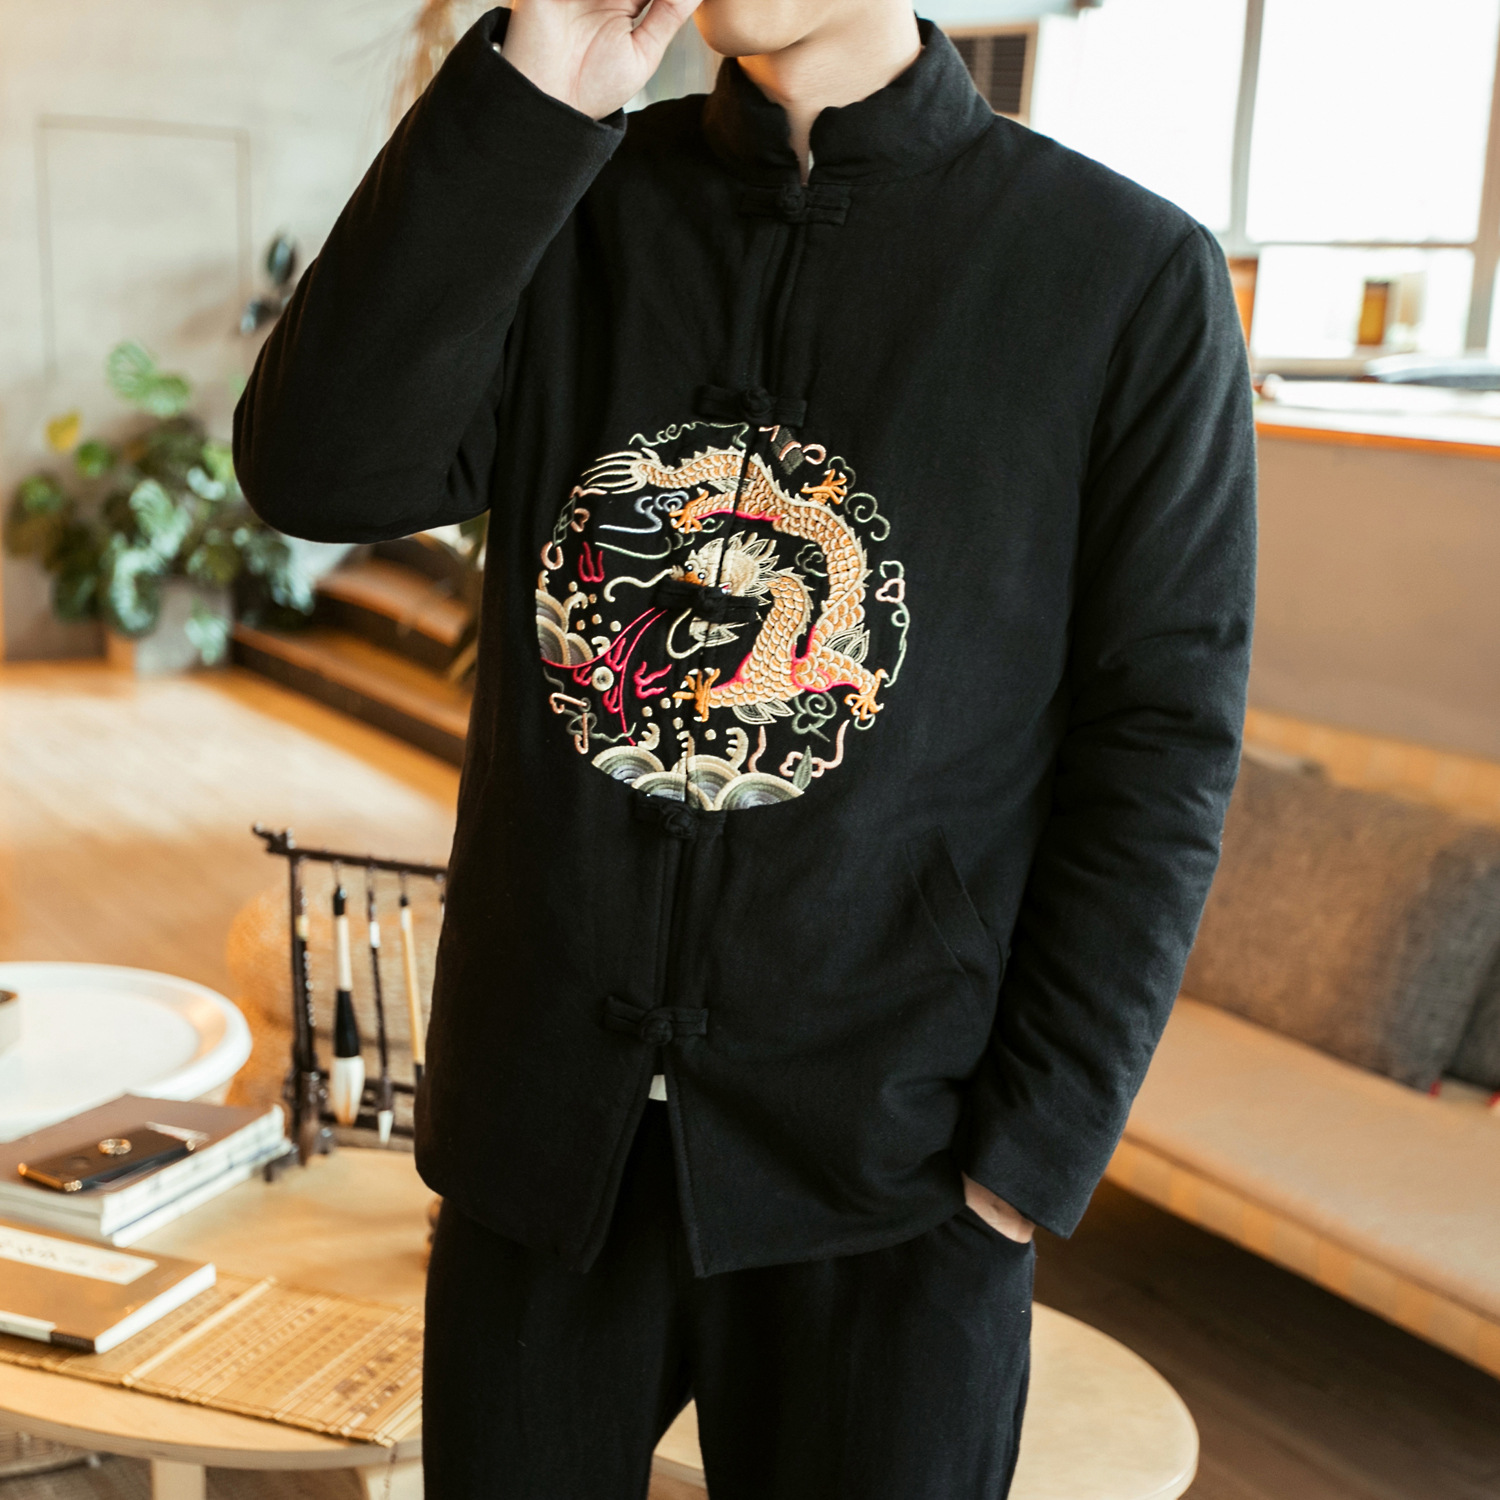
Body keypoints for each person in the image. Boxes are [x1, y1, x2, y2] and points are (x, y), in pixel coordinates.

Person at [234, 0, 1255, 1492]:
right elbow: (318, 471)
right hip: (544, 1139)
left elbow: (1162, 742)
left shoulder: (1122, 272)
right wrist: (538, 89)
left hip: (894, 1168)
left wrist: (1025, 1160)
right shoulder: (567, 190)